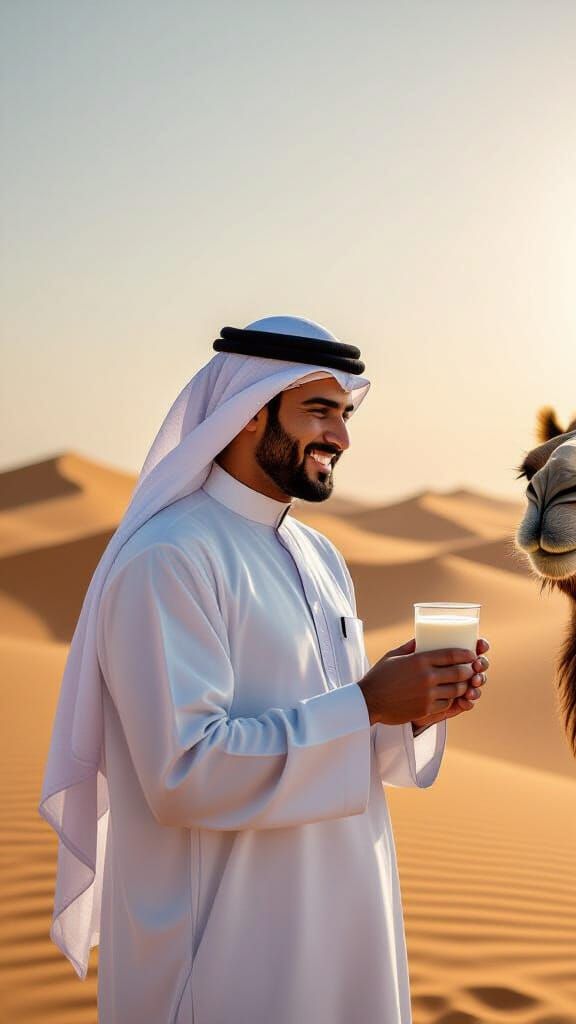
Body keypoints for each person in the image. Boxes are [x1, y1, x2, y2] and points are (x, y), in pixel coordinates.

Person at [39, 315, 490, 1023]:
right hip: (226, 959)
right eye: (319, 412)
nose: (340, 438)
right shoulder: (170, 558)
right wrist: (367, 704)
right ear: (249, 413)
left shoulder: (320, 556)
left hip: (347, 931)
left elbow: (341, 744)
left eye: (344, 415)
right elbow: (184, 773)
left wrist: (409, 713)